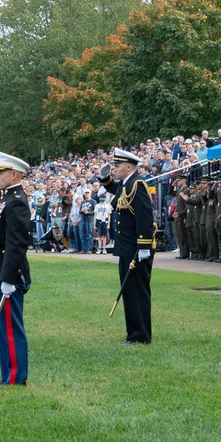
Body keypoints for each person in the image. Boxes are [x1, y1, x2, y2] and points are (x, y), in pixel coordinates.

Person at [99, 148, 154, 345]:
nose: (114, 169)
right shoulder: (126, 183)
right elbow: (115, 188)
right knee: (128, 290)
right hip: (127, 246)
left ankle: (141, 335)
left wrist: (144, 247)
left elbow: (145, 217)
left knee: (137, 291)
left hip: (136, 248)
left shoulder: (137, 184)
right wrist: (103, 178)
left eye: (116, 166)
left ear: (128, 167)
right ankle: (133, 332)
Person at [0, 151, 32, 385]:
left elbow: (17, 244)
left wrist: (8, 278)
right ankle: (7, 375)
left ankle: (16, 377)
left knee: (11, 328)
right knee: (2, 329)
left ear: (14, 174)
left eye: (0, 173)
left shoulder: (16, 202)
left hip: (9, 273)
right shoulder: (5, 198)